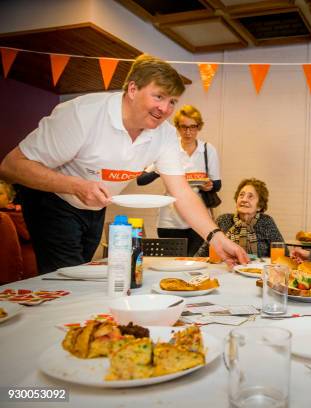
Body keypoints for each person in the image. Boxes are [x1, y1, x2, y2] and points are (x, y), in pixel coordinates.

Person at [0, 55, 247, 274]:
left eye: (172, 101)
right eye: (159, 96)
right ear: (132, 89)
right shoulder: (81, 114)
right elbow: (10, 165)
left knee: (82, 273)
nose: (165, 109)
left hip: (95, 208)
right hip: (51, 201)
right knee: (69, 279)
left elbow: (180, 191)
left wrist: (216, 238)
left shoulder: (165, 134)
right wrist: (75, 186)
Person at [137, 105, 221, 256]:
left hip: (199, 219)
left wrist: (209, 186)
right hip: (170, 219)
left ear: (199, 127)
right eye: (183, 127)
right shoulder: (169, 147)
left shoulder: (208, 150)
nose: (188, 132)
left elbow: (217, 184)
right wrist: (160, 167)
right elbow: (141, 180)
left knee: (197, 263)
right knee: (171, 265)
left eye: (192, 127)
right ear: (177, 127)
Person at [195, 178, 284, 258]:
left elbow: (283, 255)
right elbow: (203, 252)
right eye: (241, 195)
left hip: (257, 273)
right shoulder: (223, 220)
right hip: (226, 270)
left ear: (259, 206)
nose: (244, 199)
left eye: (250, 196)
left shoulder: (266, 222)